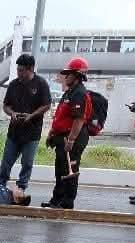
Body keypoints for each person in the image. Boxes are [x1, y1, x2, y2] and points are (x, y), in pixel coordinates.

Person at [41, 57, 91, 209]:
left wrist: (71, 140)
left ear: (76, 76)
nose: (65, 76)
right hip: (62, 136)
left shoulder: (79, 94)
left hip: (73, 137)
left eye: (68, 74)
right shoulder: (69, 92)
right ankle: (57, 200)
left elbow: (79, 120)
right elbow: (61, 116)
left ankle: (67, 202)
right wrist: (52, 133)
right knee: (60, 169)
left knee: (70, 169)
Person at [0, 54, 52, 192]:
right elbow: (6, 105)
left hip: (32, 132)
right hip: (14, 131)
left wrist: (32, 116)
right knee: (6, 161)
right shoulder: (13, 85)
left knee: (27, 162)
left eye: (22, 70)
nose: (19, 73)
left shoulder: (41, 84)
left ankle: (21, 187)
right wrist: (12, 113)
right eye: (18, 70)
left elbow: (46, 105)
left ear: (31, 69)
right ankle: (0, 184)